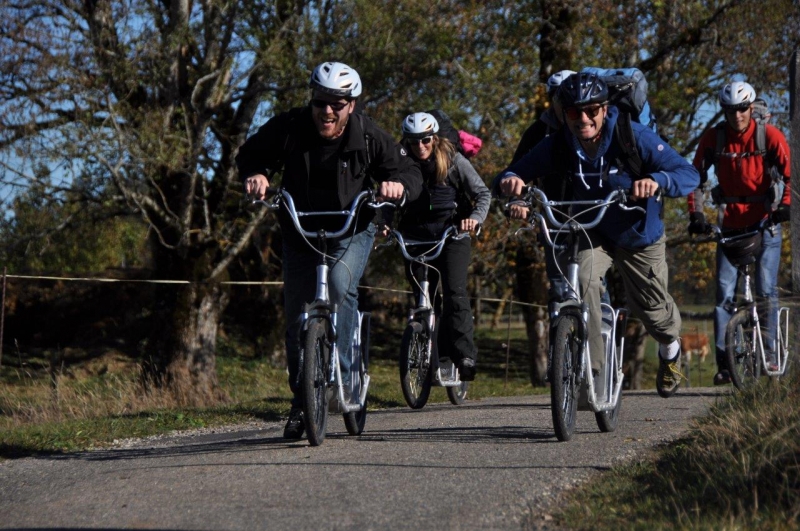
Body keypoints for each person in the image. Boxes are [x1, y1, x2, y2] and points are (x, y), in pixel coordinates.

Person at [236, 61, 422, 439]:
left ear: (351, 105)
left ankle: (348, 378)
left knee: (339, 284)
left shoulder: (367, 134)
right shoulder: (290, 127)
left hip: (351, 228)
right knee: (296, 318)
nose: (327, 111)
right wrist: (256, 174)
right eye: (320, 102)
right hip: (300, 231)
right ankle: (302, 402)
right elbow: (250, 154)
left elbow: (409, 171)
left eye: (337, 104)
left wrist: (397, 186)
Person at [495, 72, 700, 398]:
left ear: (605, 109)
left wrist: (657, 180)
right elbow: (514, 170)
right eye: (574, 112)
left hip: (637, 234)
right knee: (582, 280)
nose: (583, 119)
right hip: (592, 230)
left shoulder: (632, 135)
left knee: (654, 315)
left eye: (591, 111)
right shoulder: (560, 142)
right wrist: (512, 182)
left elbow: (688, 173)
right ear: (564, 113)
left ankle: (670, 349)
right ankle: (592, 369)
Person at [687, 81, 791, 385]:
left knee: (765, 289)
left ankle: (770, 354)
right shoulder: (714, 138)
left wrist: (785, 206)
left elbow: (791, 174)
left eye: (742, 109)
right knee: (723, 294)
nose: (737, 116)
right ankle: (725, 362)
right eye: (731, 110)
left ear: (751, 107)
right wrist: (696, 213)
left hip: (766, 222)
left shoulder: (768, 135)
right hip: (730, 224)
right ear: (724, 111)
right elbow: (694, 177)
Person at [393, 112, 491, 380]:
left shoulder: (453, 161)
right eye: (413, 141)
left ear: (434, 138)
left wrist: (474, 219)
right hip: (415, 237)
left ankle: (464, 356)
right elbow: (388, 197)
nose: (420, 146)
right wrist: (383, 223)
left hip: (453, 234)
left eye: (425, 140)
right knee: (424, 298)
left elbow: (482, 194)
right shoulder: (400, 163)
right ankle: (433, 355)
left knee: (454, 292)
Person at [510, 69, 576, 164]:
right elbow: (515, 168)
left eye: (568, 95)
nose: (563, 102)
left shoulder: (589, 124)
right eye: (558, 96)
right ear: (552, 100)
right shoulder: (536, 132)